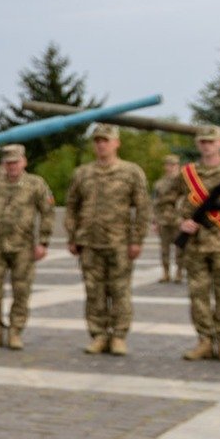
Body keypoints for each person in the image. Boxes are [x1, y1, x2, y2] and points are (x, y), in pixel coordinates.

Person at [64, 123, 151, 356]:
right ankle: (99, 335)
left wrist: (137, 240)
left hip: (119, 242)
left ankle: (119, 336)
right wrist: (72, 236)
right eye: (97, 141)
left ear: (116, 143)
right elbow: (72, 206)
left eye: (106, 140)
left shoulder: (131, 172)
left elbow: (142, 208)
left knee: (120, 290)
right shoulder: (82, 173)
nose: (101, 145)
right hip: (90, 243)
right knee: (94, 292)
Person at [170, 127, 220, 363]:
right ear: (198, 144)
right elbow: (164, 203)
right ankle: (204, 341)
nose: (207, 145)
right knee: (198, 295)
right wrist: (180, 222)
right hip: (195, 245)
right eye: (203, 141)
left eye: (211, 141)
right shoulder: (186, 174)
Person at [0, 144, 55, 350]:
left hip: (24, 247)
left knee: (22, 291)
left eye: (15, 162)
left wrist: (43, 242)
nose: (12, 166)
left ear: (24, 162)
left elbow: (47, 212)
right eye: (8, 163)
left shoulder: (36, 185)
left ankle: (15, 332)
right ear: (3, 164)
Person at [153, 155, 183, 284]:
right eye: (168, 165)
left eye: (173, 165)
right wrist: (155, 221)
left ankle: (179, 272)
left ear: (178, 166)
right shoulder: (159, 183)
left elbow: (185, 199)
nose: (170, 168)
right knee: (164, 249)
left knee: (179, 249)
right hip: (164, 219)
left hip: (178, 218)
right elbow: (155, 203)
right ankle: (165, 272)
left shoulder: (182, 182)